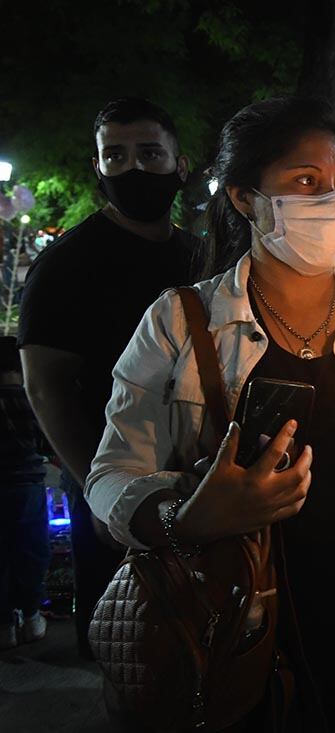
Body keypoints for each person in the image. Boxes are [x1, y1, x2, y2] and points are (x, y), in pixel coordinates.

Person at [85, 97, 335, 731]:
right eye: (305, 182)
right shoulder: (180, 323)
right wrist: (186, 517)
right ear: (245, 198)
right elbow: (110, 476)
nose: (334, 202)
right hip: (248, 632)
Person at [18, 97, 198, 660]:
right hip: (108, 477)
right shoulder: (67, 264)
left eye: (149, 153)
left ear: (180, 164)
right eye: (115, 156)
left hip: (194, 472)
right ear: (98, 168)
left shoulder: (200, 255)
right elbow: (44, 386)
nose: (133, 169)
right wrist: (97, 491)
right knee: (128, 644)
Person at [0, 336, 50, 650]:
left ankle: (5, 625)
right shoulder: (30, 398)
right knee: (32, 552)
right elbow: (46, 443)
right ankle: (32, 617)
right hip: (29, 485)